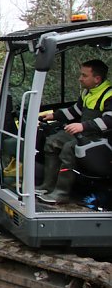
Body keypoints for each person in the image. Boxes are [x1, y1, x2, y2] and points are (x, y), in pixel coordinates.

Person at [37, 59, 112, 204]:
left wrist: (83, 126)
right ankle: (47, 186)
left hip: (102, 139)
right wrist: (54, 115)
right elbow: (75, 111)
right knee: (53, 142)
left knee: (69, 148)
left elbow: (109, 120)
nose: (80, 78)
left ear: (97, 79)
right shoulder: (87, 92)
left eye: (84, 75)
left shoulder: (109, 95)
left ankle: (61, 193)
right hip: (85, 134)